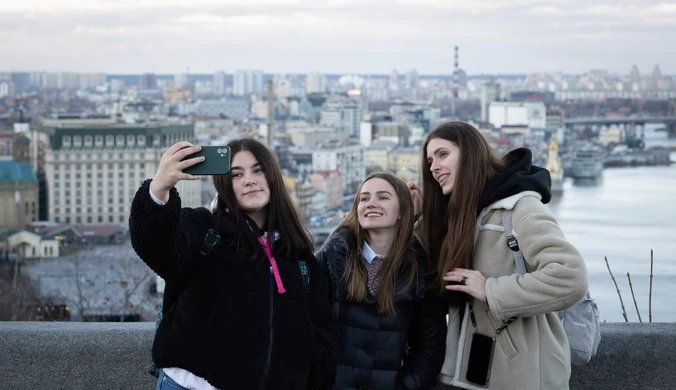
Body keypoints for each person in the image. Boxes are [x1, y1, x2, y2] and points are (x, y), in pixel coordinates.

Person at [129, 138, 338, 390]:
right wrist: (160, 187)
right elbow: (158, 247)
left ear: (273, 177)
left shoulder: (298, 256)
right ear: (225, 185)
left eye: (258, 170)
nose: (249, 180)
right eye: (237, 174)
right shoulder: (205, 231)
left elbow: (322, 332)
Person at [414, 121, 589, 390]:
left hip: (524, 377)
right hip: (467, 375)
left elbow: (570, 276)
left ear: (471, 153)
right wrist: (417, 216)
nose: (434, 166)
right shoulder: (460, 215)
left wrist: (491, 290)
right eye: (430, 160)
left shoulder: (519, 208)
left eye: (443, 154)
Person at [315, 172, 447, 390]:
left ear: (402, 211)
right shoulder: (332, 259)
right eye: (364, 198)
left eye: (383, 197)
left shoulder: (420, 270)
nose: (371, 203)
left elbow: (429, 348)